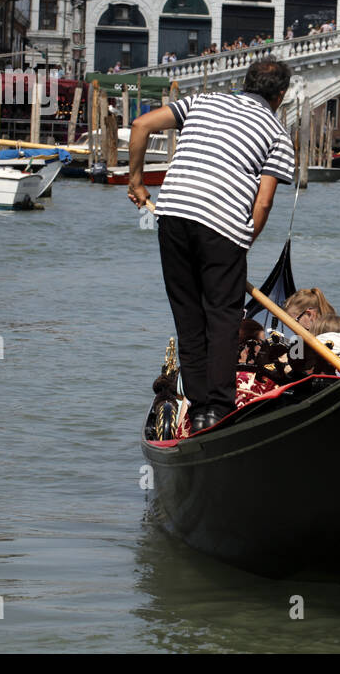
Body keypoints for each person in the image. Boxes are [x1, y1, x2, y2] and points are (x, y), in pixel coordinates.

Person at [127, 57, 296, 434]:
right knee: (222, 319)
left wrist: (137, 182)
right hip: (223, 227)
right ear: (281, 95)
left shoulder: (202, 102)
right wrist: (240, 244)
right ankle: (218, 412)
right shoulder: (278, 134)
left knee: (189, 319)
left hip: (173, 215)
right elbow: (263, 203)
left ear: (245, 81)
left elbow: (140, 126)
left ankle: (199, 407)